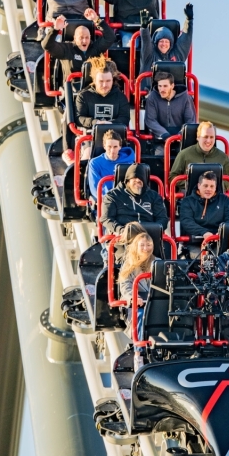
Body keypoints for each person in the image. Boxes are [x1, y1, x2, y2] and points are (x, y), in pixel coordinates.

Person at [118, 229, 159, 369]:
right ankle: (138, 355)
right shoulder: (129, 265)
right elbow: (125, 285)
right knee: (141, 316)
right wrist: (133, 298)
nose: (146, 248)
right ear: (136, 246)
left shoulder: (158, 263)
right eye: (142, 245)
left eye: (148, 245)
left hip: (156, 301)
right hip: (138, 303)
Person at [41, 8, 118, 77]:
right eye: (81, 37)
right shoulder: (67, 49)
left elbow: (110, 37)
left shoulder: (95, 48)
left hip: (92, 88)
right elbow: (47, 45)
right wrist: (55, 29)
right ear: (74, 38)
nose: (84, 41)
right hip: (72, 88)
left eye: (87, 37)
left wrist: (96, 19)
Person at [101, 163, 168, 237]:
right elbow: (106, 218)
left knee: (167, 245)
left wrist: (154, 230)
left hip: (148, 235)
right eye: (134, 179)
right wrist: (121, 230)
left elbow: (162, 218)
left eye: (140, 180)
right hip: (123, 234)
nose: (137, 181)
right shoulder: (113, 196)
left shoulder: (154, 196)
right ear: (128, 181)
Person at [178, 171, 229, 244]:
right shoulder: (187, 201)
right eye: (205, 186)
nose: (209, 189)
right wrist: (204, 232)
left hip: (219, 240)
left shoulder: (224, 200)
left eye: (212, 186)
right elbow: (187, 222)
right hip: (195, 241)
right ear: (199, 186)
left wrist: (222, 232)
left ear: (215, 187)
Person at [139, 4, 193, 78]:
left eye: (167, 42)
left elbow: (186, 37)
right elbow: (146, 41)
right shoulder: (149, 55)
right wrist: (144, 28)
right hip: (149, 88)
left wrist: (189, 20)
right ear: (156, 43)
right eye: (161, 41)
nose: (164, 44)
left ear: (170, 44)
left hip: (172, 89)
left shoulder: (177, 55)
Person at [75, 57, 130, 129]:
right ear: (94, 81)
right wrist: (95, 123)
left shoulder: (120, 97)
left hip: (114, 136)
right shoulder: (83, 96)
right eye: (101, 81)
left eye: (108, 81)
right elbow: (79, 118)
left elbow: (125, 118)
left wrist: (110, 124)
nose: (105, 85)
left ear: (112, 80)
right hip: (89, 136)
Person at [145, 72, 196, 142]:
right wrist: (164, 134)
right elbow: (150, 120)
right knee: (160, 152)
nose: (162, 90)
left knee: (185, 152)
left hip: (181, 139)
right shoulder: (152, 97)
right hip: (160, 138)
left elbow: (191, 121)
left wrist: (181, 134)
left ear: (172, 86)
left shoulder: (186, 98)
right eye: (160, 86)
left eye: (165, 86)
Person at [87, 129, 135, 200]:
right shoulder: (95, 163)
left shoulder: (129, 161)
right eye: (109, 147)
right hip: (107, 200)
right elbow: (96, 189)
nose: (112, 151)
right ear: (104, 146)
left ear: (120, 147)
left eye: (115, 147)